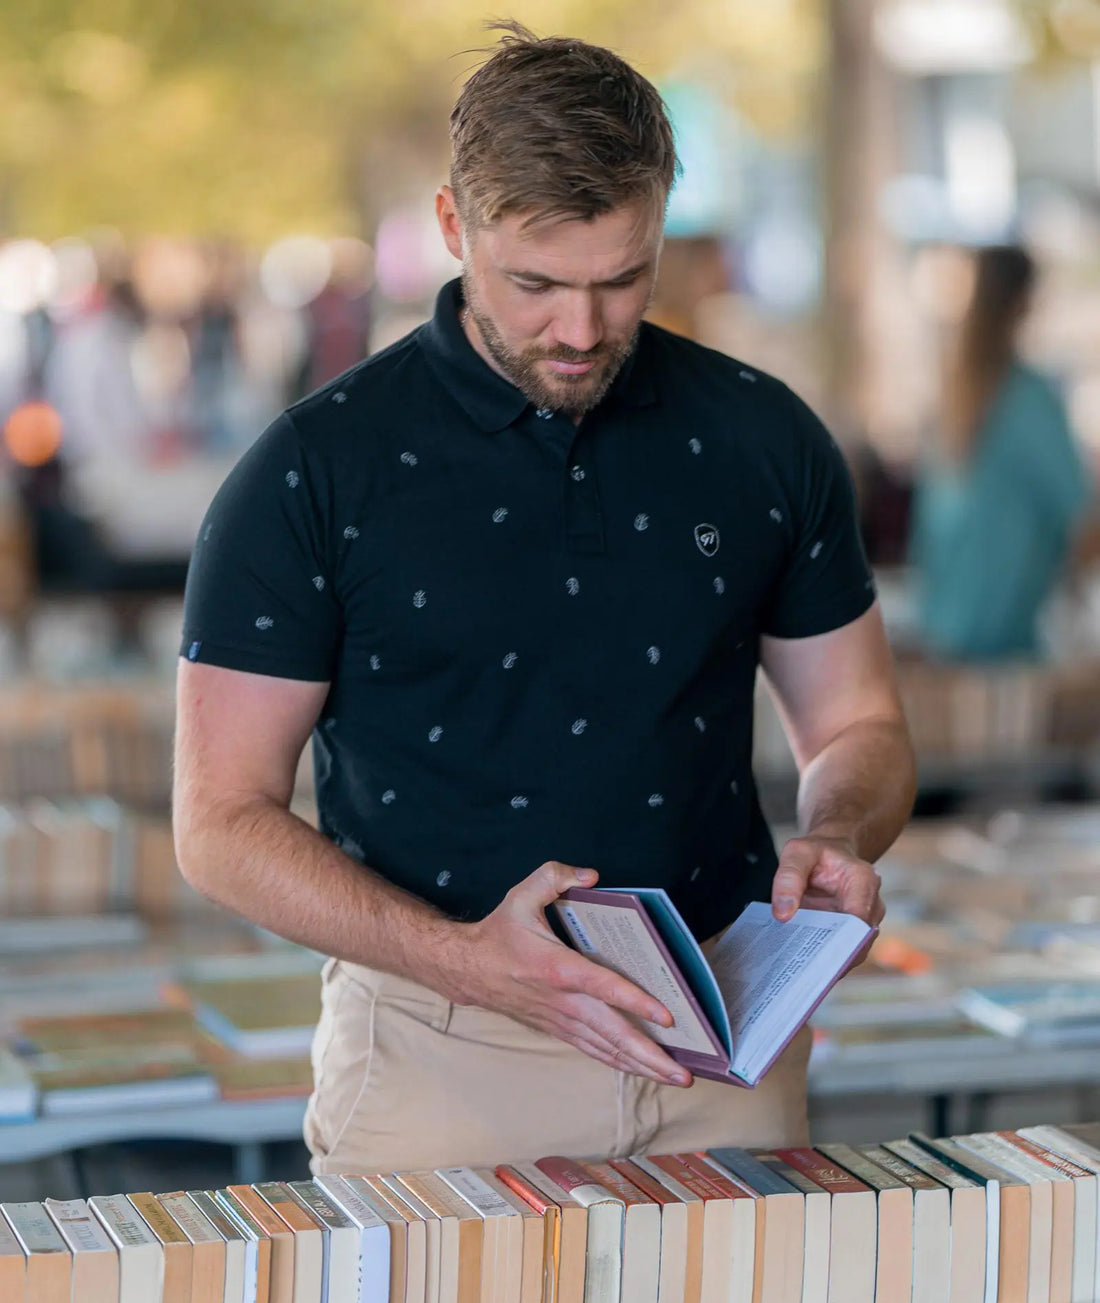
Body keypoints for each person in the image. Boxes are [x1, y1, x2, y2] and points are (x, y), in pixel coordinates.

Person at [173, 23, 915, 1175]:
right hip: (439, 1055)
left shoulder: (763, 434)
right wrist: (464, 958)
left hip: (722, 1040)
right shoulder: (312, 470)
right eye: (534, 284)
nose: (579, 330)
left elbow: (858, 724)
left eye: (621, 280)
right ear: (451, 228)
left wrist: (836, 835)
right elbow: (217, 822)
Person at [911, 245, 1091, 661]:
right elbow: (1083, 520)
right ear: (1027, 302)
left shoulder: (952, 397)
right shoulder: (1027, 399)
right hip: (1004, 650)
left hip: (942, 639)